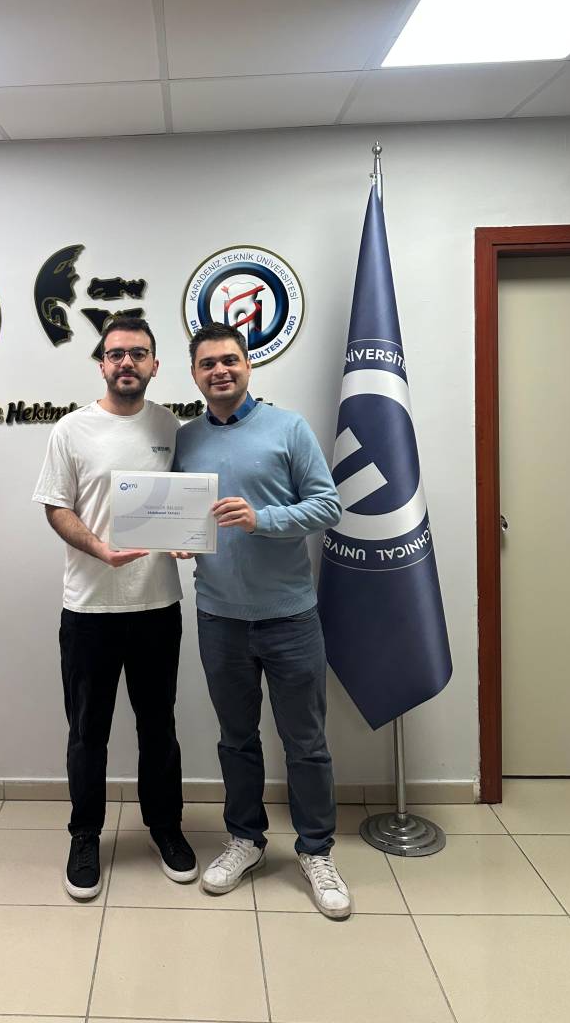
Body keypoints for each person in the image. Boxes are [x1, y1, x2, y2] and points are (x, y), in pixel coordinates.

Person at [173, 321, 351, 919]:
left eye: (229, 360)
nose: (219, 371)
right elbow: (178, 512)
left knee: (306, 743)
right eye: (207, 364)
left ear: (247, 365)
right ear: (194, 374)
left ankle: (316, 851)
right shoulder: (185, 438)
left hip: (290, 617)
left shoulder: (289, 427)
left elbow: (329, 505)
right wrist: (177, 540)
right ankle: (245, 840)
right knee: (236, 739)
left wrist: (263, 519)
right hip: (219, 618)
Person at [33, 314, 198, 899]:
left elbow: (182, 505)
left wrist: (186, 535)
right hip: (89, 610)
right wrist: (100, 549)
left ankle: (166, 827)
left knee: (159, 727)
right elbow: (56, 507)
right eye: (116, 353)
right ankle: (85, 835)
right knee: (88, 732)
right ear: (101, 363)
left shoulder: (171, 427)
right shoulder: (71, 430)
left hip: (157, 606)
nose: (127, 362)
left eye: (138, 353)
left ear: (155, 364)